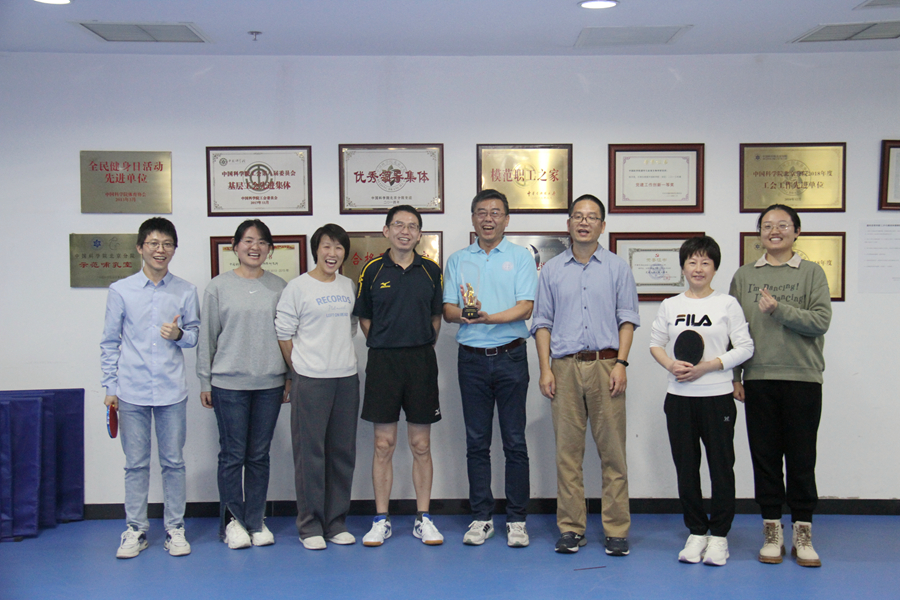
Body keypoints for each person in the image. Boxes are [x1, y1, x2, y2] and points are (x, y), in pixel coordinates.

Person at [531, 194, 639, 556]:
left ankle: (617, 529)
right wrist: (545, 368)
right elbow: (542, 322)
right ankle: (571, 528)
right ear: (568, 224)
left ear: (602, 226)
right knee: (568, 454)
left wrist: (621, 363)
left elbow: (628, 319)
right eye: (578, 216)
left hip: (607, 366)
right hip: (563, 367)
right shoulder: (552, 270)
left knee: (613, 454)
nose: (584, 222)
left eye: (592, 217)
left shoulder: (617, 268)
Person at [730, 204, 831, 568]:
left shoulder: (812, 273)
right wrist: (736, 377)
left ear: (796, 231)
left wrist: (779, 310)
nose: (774, 231)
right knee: (765, 458)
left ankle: (803, 532)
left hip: (802, 378)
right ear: (759, 233)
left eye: (783, 225)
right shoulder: (744, 276)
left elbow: (820, 321)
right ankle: (771, 530)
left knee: (802, 459)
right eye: (767, 226)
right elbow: (734, 332)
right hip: (758, 379)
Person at [649, 236, 754, 566]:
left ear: (714, 268)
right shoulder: (670, 305)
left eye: (705, 262)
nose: (698, 268)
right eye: (692, 262)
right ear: (683, 267)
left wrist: (709, 366)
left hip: (717, 398)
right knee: (686, 468)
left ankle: (719, 536)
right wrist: (671, 365)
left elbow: (745, 347)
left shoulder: (727, 304)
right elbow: (655, 344)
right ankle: (696, 532)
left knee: (721, 468)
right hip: (679, 398)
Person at [100, 217, 200, 559]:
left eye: (167, 244)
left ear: (174, 249)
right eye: (154, 243)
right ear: (140, 247)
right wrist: (110, 386)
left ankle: (175, 529)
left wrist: (179, 335)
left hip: (171, 390)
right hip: (131, 391)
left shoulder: (185, 291)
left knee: (173, 462)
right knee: (135, 464)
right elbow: (110, 342)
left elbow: (195, 336)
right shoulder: (121, 290)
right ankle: (136, 529)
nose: (161, 250)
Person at [443, 189, 538, 548]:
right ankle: (482, 517)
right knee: (476, 442)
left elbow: (526, 307)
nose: (488, 218)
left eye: (495, 212)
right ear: (473, 218)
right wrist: (466, 315)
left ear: (506, 219)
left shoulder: (520, 257)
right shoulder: (458, 260)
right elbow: (448, 310)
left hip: (511, 357)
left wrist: (488, 318)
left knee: (515, 441)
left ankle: (517, 519)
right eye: (481, 212)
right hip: (471, 360)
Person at [352, 205, 444, 547]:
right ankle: (381, 519)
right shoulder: (372, 270)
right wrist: (386, 343)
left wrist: (418, 344)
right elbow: (365, 318)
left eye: (412, 226)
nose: (405, 231)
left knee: (421, 444)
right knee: (383, 444)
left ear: (419, 234)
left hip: (421, 363)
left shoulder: (431, 271)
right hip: (383, 363)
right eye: (399, 225)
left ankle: (424, 518)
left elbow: (436, 318)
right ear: (386, 230)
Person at [197, 219, 288, 550]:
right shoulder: (218, 287)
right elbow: (207, 337)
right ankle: (232, 522)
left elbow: (287, 335)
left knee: (259, 455)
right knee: (233, 454)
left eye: (262, 242)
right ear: (235, 247)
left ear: (270, 249)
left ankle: (256, 520)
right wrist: (205, 380)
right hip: (228, 384)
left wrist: (289, 377)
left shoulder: (280, 287)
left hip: (269, 383)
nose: (255, 247)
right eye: (248, 241)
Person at [275, 224, 360, 551]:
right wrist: (300, 368)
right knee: (310, 454)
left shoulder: (348, 285)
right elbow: (284, 332)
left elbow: (351, 326)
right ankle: (310, 525)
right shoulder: (297, 287)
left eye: (339, 247)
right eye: (326, 246)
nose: (332, 253)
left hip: (346, 377)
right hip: (310, 380)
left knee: (342, 453)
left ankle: (336, 522)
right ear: (316, 250)